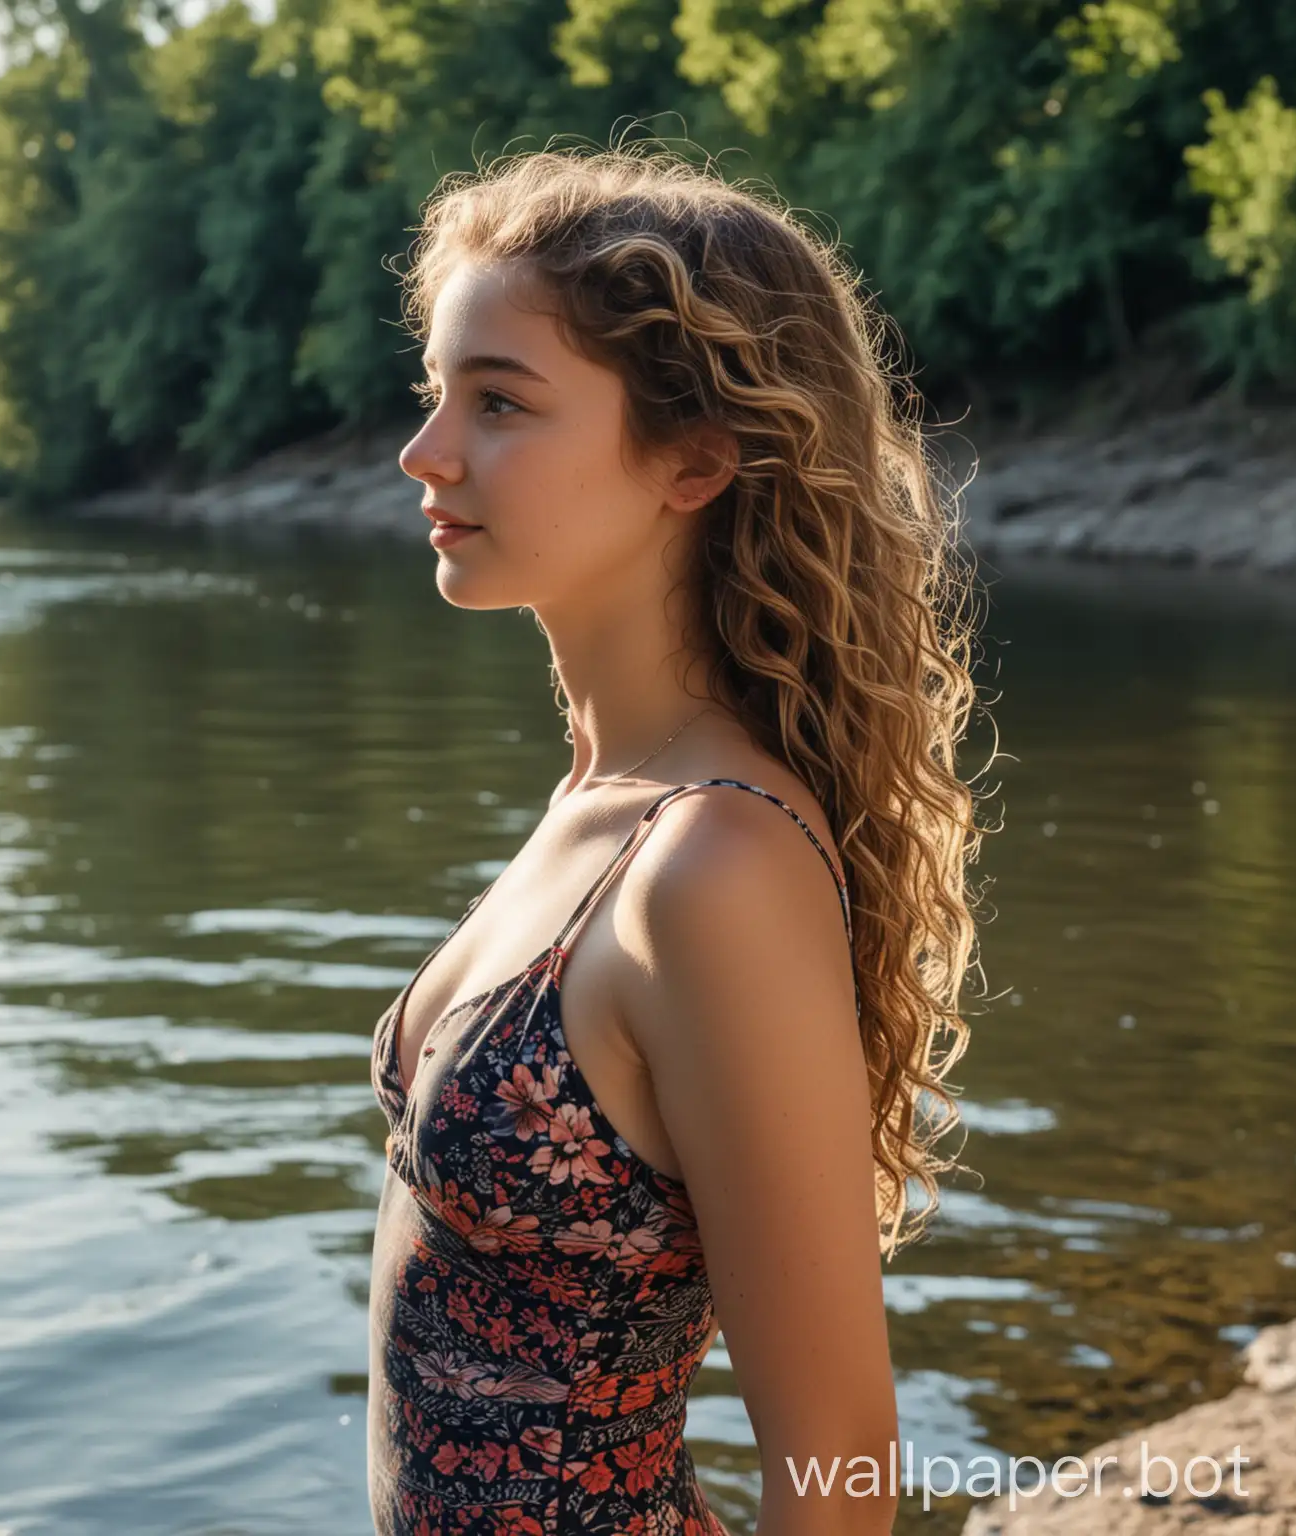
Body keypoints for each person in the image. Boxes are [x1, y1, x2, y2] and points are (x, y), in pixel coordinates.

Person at [367, 143, 986, 1536]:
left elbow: (838, 1451)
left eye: (499, 402)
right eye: (434, 394)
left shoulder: (715, 864)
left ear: (696, 458)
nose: (425, 452)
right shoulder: (602, 794)